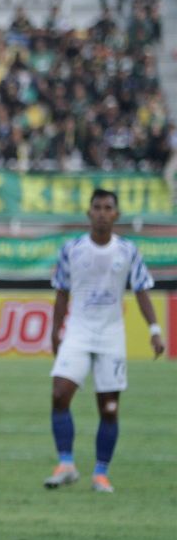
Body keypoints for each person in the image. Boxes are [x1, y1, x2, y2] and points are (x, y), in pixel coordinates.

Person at [44, 189, 164, 493]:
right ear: (88, 213)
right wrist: (55, 330)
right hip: (78, 331)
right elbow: (61, 293)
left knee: (109, 408)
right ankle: (66, 464)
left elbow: (141, 291)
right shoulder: (71, 249)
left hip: (111, 335)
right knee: (60, 394)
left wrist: (154, 330)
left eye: (107, 207)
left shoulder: (128, 251)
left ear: (116, 215)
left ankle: (101, 473)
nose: (101, 212)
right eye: (96, 207)